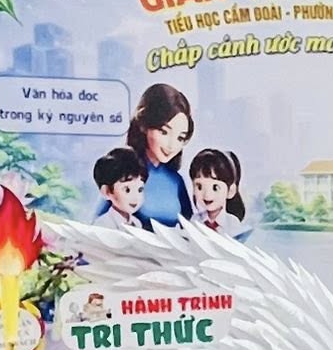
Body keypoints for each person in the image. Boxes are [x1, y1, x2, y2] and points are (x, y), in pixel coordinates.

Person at [119, 83, 193, 226]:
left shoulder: (176, 180)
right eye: (164, 132)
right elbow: (100, 224)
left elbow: (189, 223)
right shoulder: (123, 173)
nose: (171, 145)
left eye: (180, 138)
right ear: (144, 125)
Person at [179, 147, 249, 238]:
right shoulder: (195, 220)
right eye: (199, 187)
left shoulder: (232, 223)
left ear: (230, 191)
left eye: (215, 188)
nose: (207, 194)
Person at [92, 147, 151, 230]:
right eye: (127, 190)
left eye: (140, 190)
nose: (135, 197)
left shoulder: (137, 223)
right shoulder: (102, 225)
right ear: (106, 191)